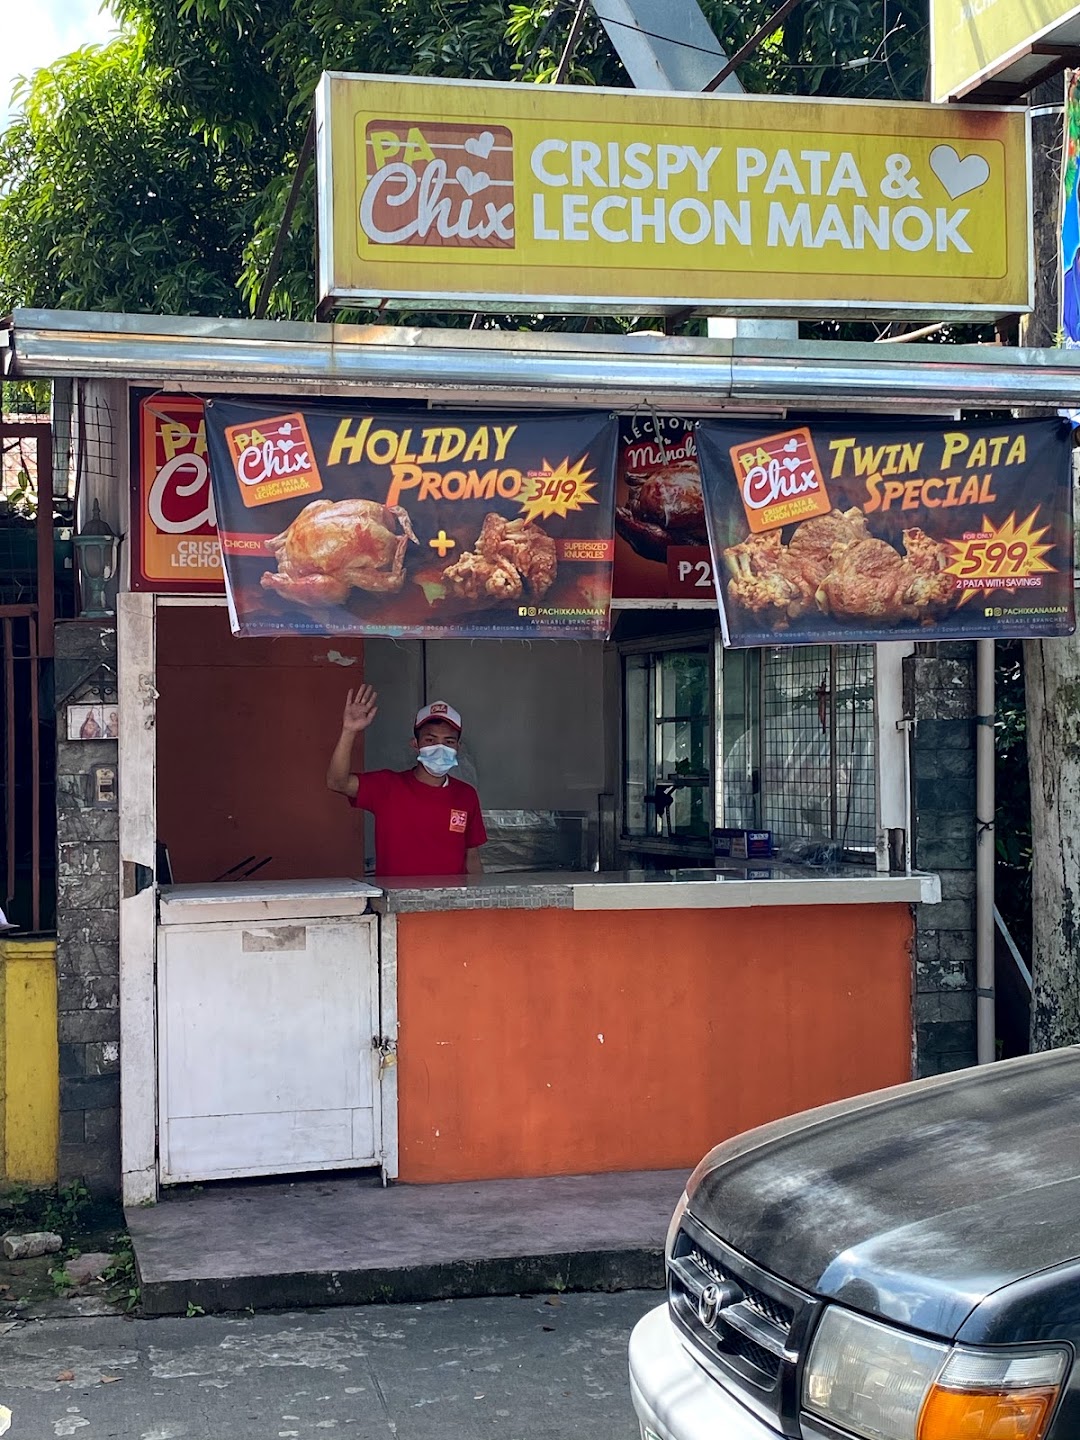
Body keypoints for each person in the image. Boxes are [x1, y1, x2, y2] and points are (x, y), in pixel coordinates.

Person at [326, 686, 486, 877]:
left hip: (449, 904)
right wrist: (349, 731)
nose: (440, 747)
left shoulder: (466, 795)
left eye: (449, 742)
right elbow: (337, 782)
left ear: (458, 747)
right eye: (430, 740)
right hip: (398, 903)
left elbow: (472, 857)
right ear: (415, 744)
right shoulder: (388, 787)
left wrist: (477, 902)